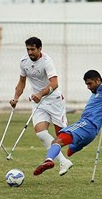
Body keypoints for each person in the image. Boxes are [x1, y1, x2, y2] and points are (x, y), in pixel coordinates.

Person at [33, 69, 102, 175]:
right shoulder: (97, 92)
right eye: (86, 84)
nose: (88, 87)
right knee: (70, 149)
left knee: (56, 142)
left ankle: (49, 160)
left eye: (90, 83)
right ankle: (72, 150)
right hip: (91, 133)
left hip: (86, 125)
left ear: (98, 80)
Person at [9, 36, 73, 176]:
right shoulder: (24, 62)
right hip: (38, 103)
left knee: (63, 136)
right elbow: (21, 82)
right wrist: (15, 98)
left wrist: (40, 93)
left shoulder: (47, 62)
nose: (30, 52)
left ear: (40, 49)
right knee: (41, 133)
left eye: (32, 49)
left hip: (54, 101)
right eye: (28, 49)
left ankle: (72, 148)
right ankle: (62, 161)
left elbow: (54, 83)